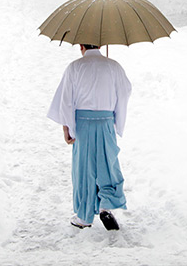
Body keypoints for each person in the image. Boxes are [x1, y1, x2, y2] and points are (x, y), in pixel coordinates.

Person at [47, 43, 132, 230]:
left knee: (84, 168)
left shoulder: (75, 67)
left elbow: (65, 100)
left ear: (81, 46)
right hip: (105, 122)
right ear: (101, 45)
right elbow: (125, 92)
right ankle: (106, 203)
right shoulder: (114, 66)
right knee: (108, 163)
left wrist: (67, 128)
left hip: (83, 123)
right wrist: (116, 119)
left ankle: (84, 216)